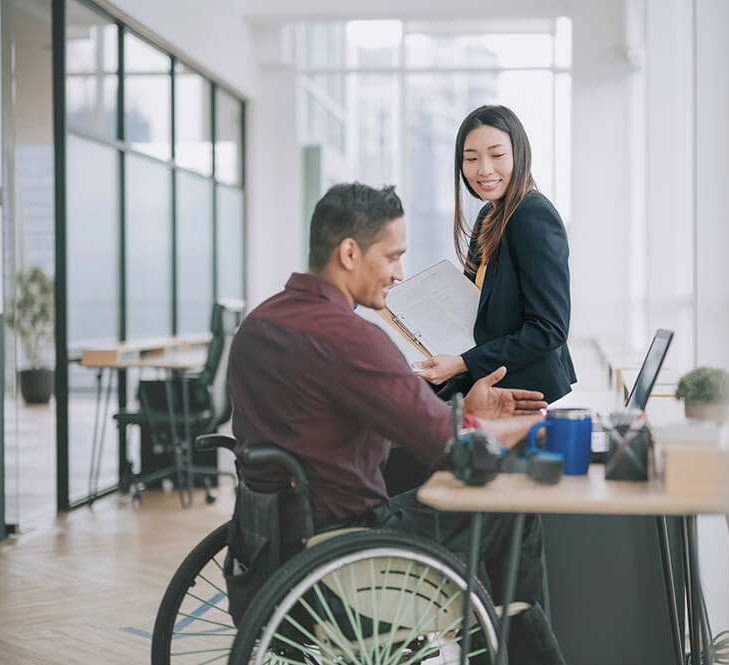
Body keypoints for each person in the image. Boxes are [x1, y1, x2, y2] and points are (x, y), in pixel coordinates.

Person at [228, 182, 566, 663]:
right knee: (510, 507)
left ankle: (487, 634)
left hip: (267, 546)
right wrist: (504, 432)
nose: (399, 273)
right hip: (349, 552)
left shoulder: (258, 325)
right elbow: (452, 450)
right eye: (391, 257)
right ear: (349, 253)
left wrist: (463, 415)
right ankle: (509, 646)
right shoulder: (350, 339)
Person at [413, 104, 577, 405]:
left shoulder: (532, 214)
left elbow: (549, 329)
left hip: (522, 393)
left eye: (497, 155)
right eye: (471, 158)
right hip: (488, 385)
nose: (484, 169)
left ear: (519, 154)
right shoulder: (490, 215)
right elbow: (472, 309)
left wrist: (462, 362)